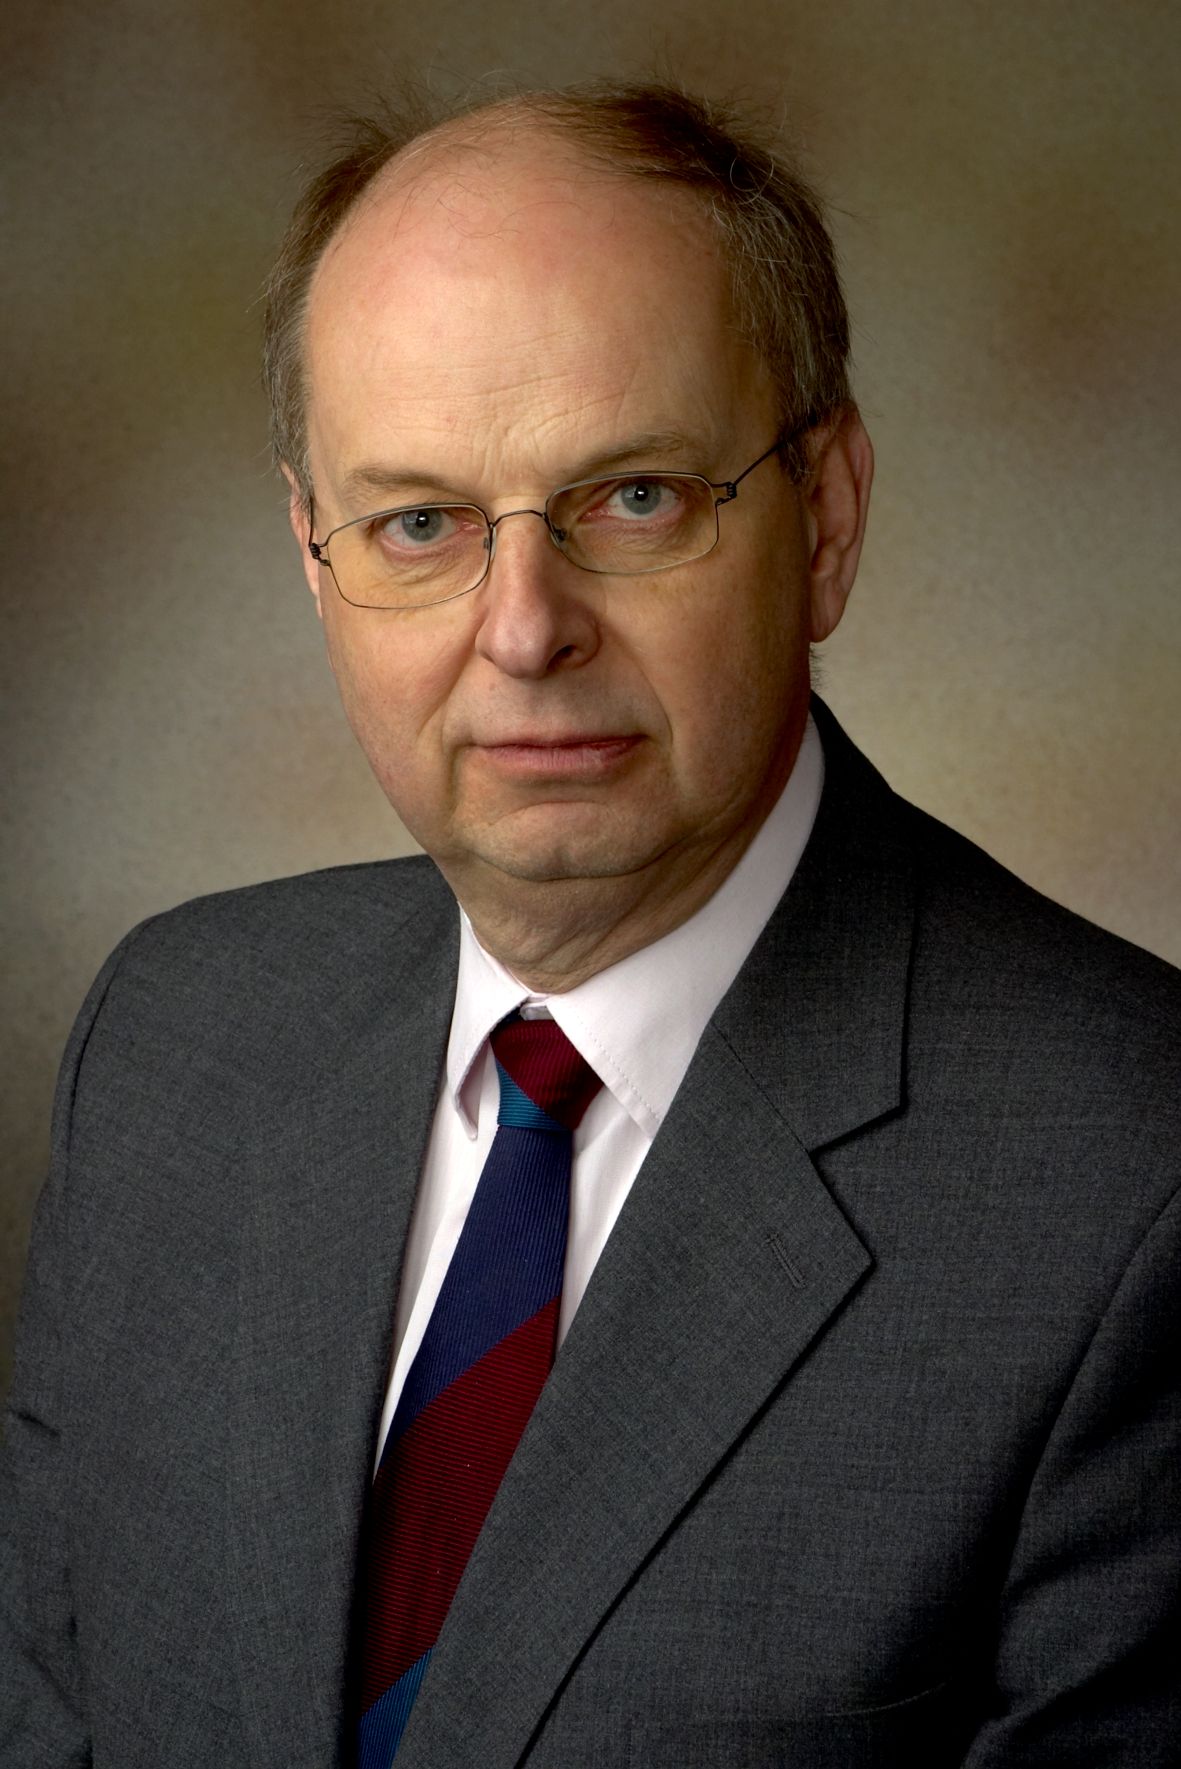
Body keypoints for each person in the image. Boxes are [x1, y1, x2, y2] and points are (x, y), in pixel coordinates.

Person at [2, 80, 1178, 1769]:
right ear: (315, 557)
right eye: (418, 523)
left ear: (825, 518)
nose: (523, 628)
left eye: (633, 498)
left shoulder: (1127, 1181)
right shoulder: (172, 1039)